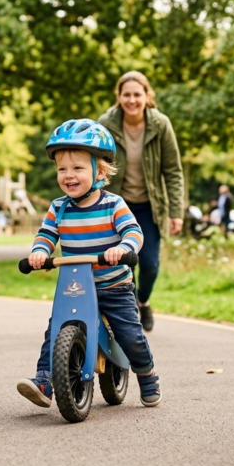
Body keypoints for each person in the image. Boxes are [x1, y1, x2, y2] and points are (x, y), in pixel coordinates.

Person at [16, 119, 161, 409]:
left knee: (130, 335)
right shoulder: (59, 207)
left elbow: (134, 232)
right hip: (76, 287)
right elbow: (46, 235)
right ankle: (44, 381)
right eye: (62, 169)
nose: (68, 175)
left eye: (77, 168)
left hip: (114, 286)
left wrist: (122, 248)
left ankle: (147, 373)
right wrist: (39, 253)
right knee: (55, 331)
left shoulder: (113, 204)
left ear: (100, 171)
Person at [97, 71, 184, 333]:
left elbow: (173, 171)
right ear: (119, 97)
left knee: (148, 262)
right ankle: (128, 309)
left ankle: (143, 301)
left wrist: (176, 212)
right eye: (127, 94)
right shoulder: (106, 123)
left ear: (147, 96)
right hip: (114, 205)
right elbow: (95, 164)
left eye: (137, 94)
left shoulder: (160, 124)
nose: (132, 100)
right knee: (120, 260)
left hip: (149, 206)